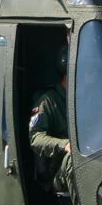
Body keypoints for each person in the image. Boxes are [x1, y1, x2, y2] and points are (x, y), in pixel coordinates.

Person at [29, 47, 73, 196]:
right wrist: (64, 145)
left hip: (93, 165)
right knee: (76, 159)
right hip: (60, 171)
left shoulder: (90, 101)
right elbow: (36, 138)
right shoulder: (48, 101)